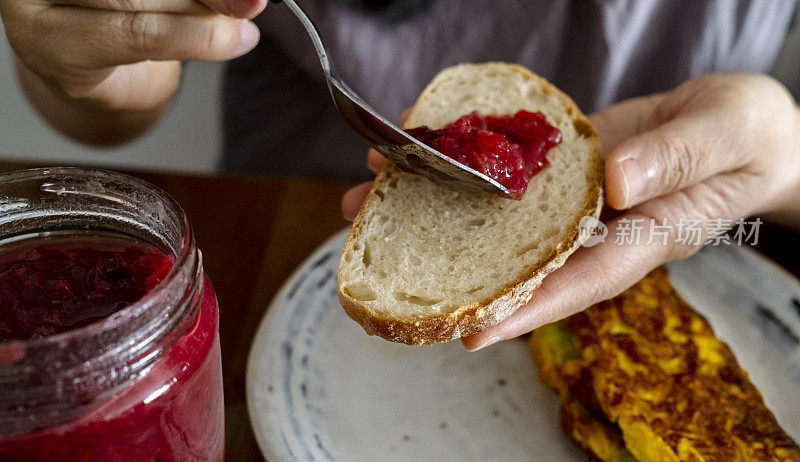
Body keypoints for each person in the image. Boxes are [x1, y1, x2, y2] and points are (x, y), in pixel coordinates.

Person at [2, 0, 799, 350]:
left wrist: (783, 159)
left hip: (715, 266)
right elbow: (121, 103)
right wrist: (96, 66)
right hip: (272, 265)